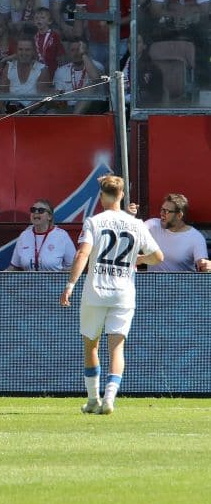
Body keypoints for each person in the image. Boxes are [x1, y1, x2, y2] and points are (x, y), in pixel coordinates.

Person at [61, 174, 162, 415]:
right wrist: (137, 259)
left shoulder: (94, 221)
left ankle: (93, 399)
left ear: (102, 195)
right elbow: (158, 257)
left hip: (95, 291)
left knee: (91, 347)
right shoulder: (136, 224)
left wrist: (70, 285)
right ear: (122, 195)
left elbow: (81, 254)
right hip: (123, 294)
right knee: (117, 348)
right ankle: (109, 398)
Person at [142, 194, 207, 272]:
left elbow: (203, 265)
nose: (162, 213)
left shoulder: (196, 237)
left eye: (166, 211)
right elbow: (134, 233)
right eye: (162, 209)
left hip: (183, 283)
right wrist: (130, 216)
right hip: (153, 283)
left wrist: (206, 266)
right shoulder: (152, 225)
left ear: (179, 215)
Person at [8, 199, 75, 271]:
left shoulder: (62, 236)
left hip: (53, 282)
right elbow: (14, 267)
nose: (36, 213)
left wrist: (60, 276)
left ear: (49, 216)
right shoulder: (24, 236)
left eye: (41, 210)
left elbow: (75, 266)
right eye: (33, 210)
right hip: (29, 282)